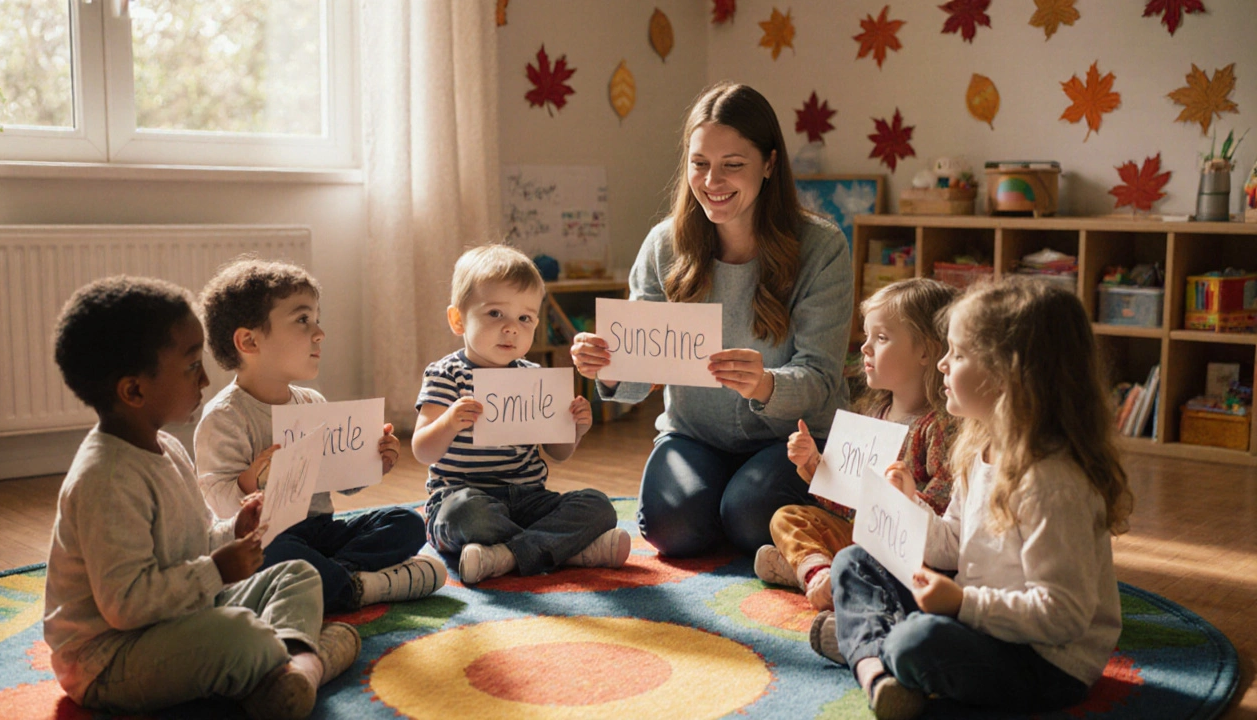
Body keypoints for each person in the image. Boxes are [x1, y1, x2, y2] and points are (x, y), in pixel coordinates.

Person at [44, 276, 359, 720]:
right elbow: (127, 606)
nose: (208, 378)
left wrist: (233, 531)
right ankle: (307, 664)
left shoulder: (166, 447)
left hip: (175, 616)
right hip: (111, 657)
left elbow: (187, 542)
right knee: (236, 636)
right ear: (134, 390)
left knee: (297, 575)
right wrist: (216, 570)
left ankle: (285, 671)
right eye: (192, 365)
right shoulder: (106, 479)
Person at [820, 277, 1135, 720]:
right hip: (979, 622)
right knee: (854, 562)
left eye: (959, 354)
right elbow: (952, 542)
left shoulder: (1053, 482)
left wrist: (963, 604)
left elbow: (1064, 615)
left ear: (1010, 373)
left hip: (1047, 661)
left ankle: (867, 644)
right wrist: (911, 510)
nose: (943, 365)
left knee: (918, 641)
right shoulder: (979, 449)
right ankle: (878, 673)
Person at [570, 82, 853, 557]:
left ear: (769, 164)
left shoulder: (822, 248)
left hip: (796, 439)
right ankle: (723, 504)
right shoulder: (664, 245)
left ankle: (744, 505)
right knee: (672, 529)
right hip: (694, 434)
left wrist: (766, 385)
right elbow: (640, 377)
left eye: (732, 165)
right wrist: (611, 368)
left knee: (748, 516)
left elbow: (822, 377)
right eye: (699, 163)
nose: (712, 181)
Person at [196, 258, 443, 613]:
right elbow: (218, 502)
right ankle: (358, 586)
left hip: (322, 531)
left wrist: (374, 461)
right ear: (249, 341)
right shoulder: (225, 417)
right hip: (268, 540)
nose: (319, 333)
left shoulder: (311, 402)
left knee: (407, 523)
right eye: (302, 320)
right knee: (275, 555)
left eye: (316, 319)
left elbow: (340, 480)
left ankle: (337, 579)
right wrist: (253, 478)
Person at [412, 244, 630, 585]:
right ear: (458, 320)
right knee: (465, 515)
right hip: (464, 497)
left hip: (528, 498)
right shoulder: (445, 374)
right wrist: (449, 422)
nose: (511, 328)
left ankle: (505, 554)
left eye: (524, 318)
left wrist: (576, 430)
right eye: (496, 314)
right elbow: (423, 450)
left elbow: (557, 454)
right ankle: (565, 549)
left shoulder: (533, 375)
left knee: (597, 505)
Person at [754, 278, 960, 611]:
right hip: (858, 536)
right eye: (867, 336)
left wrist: (905, 496)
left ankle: (814, 572)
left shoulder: (939, 428)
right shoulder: (873, 414)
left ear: (926, 351)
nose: (864, 347)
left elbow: (942, 512)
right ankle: (821, 578)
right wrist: (813, 466)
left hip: (903, 550)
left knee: (913, 568)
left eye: (881, 338)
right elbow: (845, 503)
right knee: (786, 518)